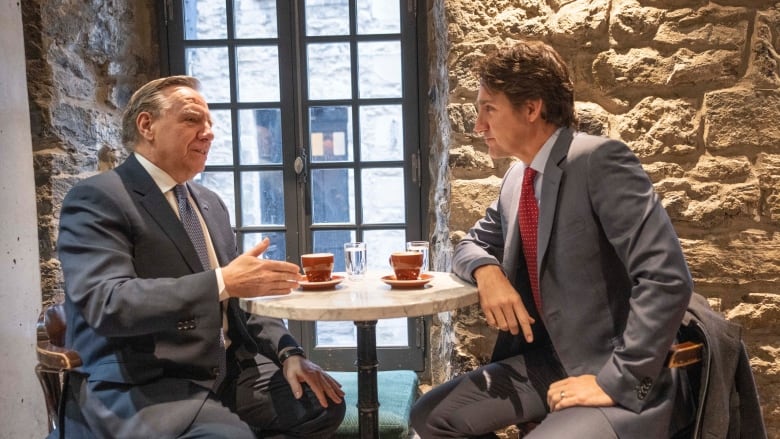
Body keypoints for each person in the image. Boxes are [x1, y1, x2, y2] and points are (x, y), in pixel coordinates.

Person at [410, 40, 695, 438]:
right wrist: (487, 271)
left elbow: (667, 278)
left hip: (614, 371)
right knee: (431, 415)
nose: (478, 125)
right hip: (547, 362)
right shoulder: (516, 180)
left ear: (531, 108)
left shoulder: (600, 161)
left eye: (488, 108)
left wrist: (612, 381)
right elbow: (468, 246)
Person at [56, 75, 346, 438]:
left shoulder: (208, 202)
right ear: (147, 125)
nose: (208, 133)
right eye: (192, 120)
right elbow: (107, 303)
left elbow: (242, 300)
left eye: (210, 123)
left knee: (324, 404)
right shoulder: (99, 198)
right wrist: (221, 281)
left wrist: (290, 354)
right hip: (150, 382)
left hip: (229, 371)